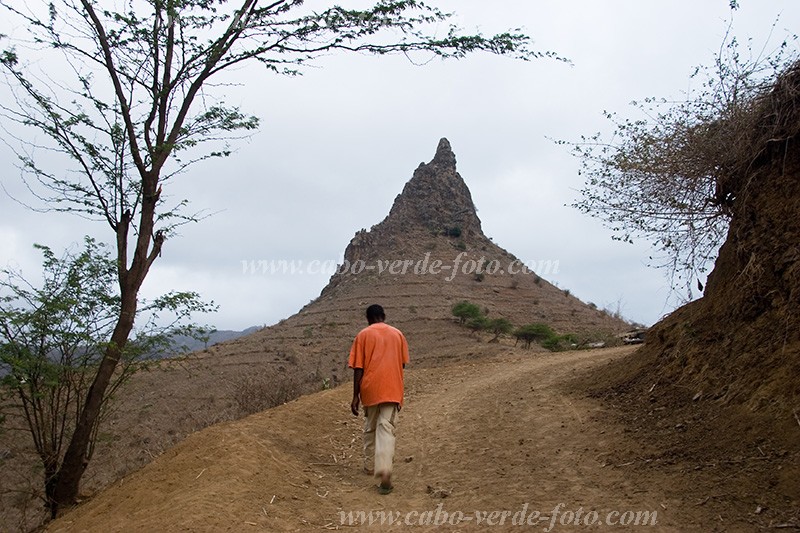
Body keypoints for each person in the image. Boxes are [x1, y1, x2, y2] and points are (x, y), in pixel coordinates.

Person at [348, 304, 409, 494]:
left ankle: (369, 465)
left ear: (368, 318)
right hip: (392, 388)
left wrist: (355, 396)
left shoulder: (363, 335)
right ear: (383, 316)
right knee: (386, 429)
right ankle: (384, 469)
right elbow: (402, 364)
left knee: (370, 426)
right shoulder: (398, 335)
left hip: (370, 389)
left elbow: (359, 368)